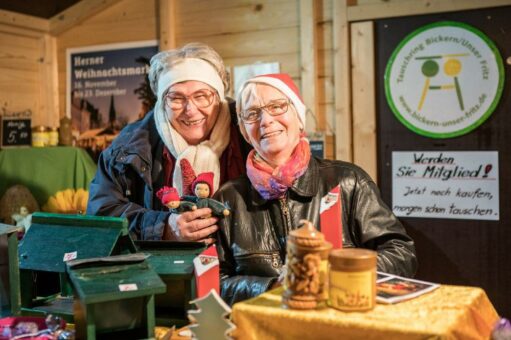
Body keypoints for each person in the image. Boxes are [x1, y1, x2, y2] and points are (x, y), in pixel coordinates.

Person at [214, 73, 417, 305]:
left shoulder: (348, 181)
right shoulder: (228, 198)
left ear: (299, 117)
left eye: (277, 106)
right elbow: (215, 280)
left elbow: (401, 254)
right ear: (244, 132)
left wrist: (339, 273)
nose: (266, 120)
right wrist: (272, 287)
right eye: (252, 114)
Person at [86, 43, 250, 242]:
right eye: (176, 98)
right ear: (162, 102)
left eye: (202, 96)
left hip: (243, 268)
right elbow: (101, 214)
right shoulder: (128, 147)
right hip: (162, 268)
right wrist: (162, 228)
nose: (190, 109)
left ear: (219, 96)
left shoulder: (249, 133)